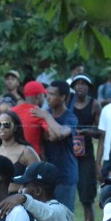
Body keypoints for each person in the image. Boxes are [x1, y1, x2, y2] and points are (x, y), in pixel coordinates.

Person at [38, 80, 78, 210]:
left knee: (64, 218)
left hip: (65, 175)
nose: (48, 97)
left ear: (62, 97)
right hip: (47, 174)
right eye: (46, 94)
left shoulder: (70, 118)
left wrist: (46, 115)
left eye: (52, 94)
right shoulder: (44, 114)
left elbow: (60, 133)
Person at [71, 75, 102, 221]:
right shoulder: (68, 102)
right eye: (78, 84)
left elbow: (100, 131)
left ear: (89, 87)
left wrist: (89, 132)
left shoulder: (94, 105)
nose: (80, 87)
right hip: (69, 153)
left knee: (86, 197)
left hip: (86, 155)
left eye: (84, 84)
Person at [0, 111, 40, 185]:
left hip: (19, 195)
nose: (1, 128)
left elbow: (39, 177)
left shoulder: (26, 151)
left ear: (15, 127)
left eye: (6, 125)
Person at [10, 81, 48, 156]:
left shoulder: (12, 111)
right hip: (31, 158)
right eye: (44, 95)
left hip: (11, 156)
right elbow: (52, 136)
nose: (45, 98)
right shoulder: (38, 113)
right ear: (38, 96)